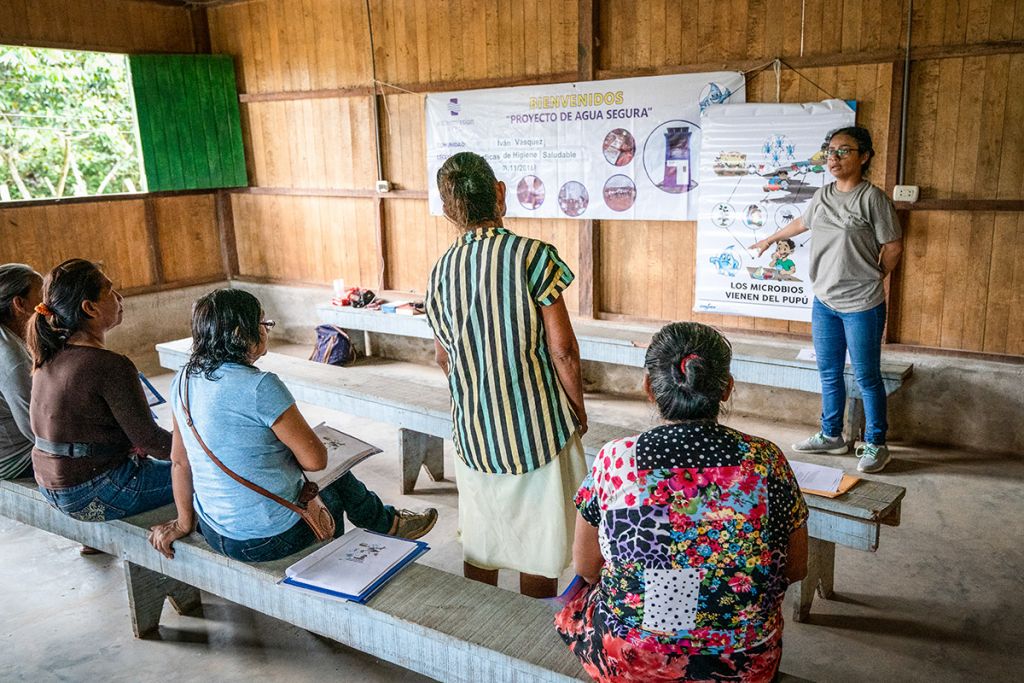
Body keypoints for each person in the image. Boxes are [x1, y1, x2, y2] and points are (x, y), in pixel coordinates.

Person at [555, 322, 808, 682]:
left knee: (581, 603)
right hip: (744, 664)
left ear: (648, 388)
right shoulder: (766, 460)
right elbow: (796, 568)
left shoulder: (616, 460)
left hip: (632, 659)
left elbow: (586, 566)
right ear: (726, 389)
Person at [148, 289, 437, 563]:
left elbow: (179, 462)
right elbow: (315, 461)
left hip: (215, 531)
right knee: (333, 486)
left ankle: (388, 523)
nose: (266, 329)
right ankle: (361, 549)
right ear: (240, 334)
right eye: (263, 322)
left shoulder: (183, 380)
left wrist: (183, 523)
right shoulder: (261, 387)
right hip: (269, 539)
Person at [425, 151, 588, 598]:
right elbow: (564, 350)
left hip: (474, 432)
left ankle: (483, 626)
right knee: (540, 543)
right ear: (499, 194)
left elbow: (443, 358)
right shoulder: (533, 257)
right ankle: (531, 633)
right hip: (537, 429)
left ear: (447, 212)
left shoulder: (439, 274)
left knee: (483, 540)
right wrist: (577, 408)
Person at [751, 126, 903, 473]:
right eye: (830, 151)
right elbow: (802, 223)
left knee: (866, 375)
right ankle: (832, 435)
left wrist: (876, 276)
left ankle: (877, 443)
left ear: (864, 157)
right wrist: (769, 239)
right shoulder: (822, 196)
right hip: (824, 302)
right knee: (829, 372)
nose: (833, 158)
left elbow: (893, 246)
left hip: (862, 304)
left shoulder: (872, 199)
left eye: (843, 151)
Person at [28, 259, 174, 522]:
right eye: (110, 291)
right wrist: (204, 451)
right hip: (94, 493)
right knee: (210, 473)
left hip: (50, 486)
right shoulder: (110, 365)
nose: (120, 298)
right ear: (90, 308)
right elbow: (151, 441)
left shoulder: (48, 356)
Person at [0, 264, 42, 480]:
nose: (47, 305)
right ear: (20, 304)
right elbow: (37, 432)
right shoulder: (11, 358)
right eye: (41, 296)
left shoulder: (8, 336)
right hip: (14, 460)